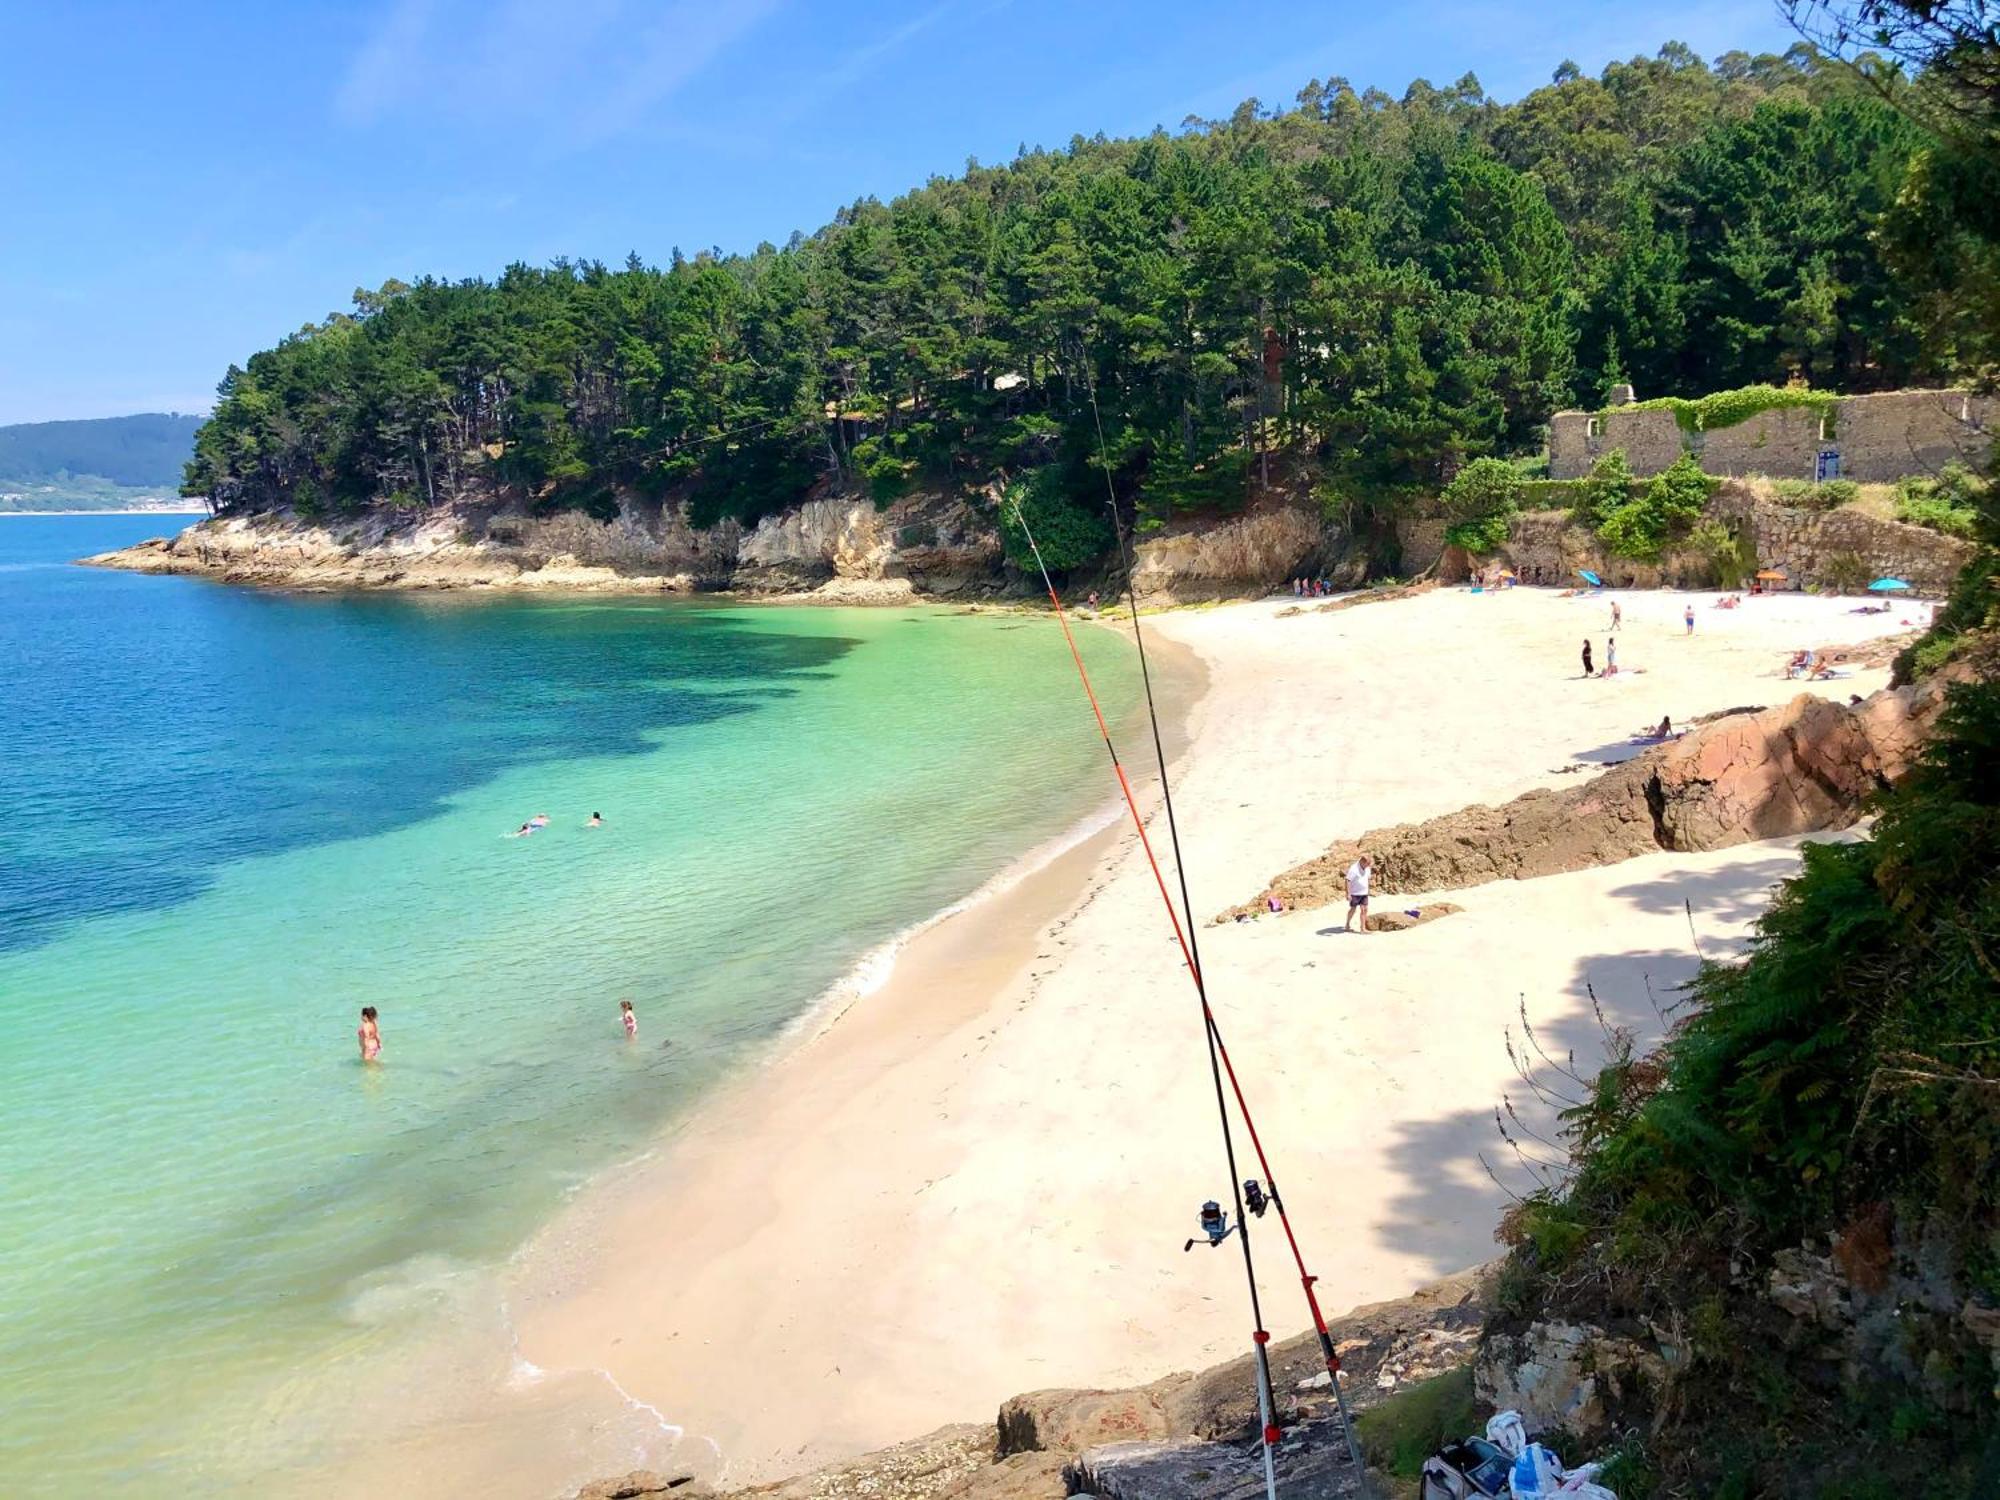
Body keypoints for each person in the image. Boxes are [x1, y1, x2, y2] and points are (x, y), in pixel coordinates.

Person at [1344, 854, 1373, 934]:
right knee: (1353, 909)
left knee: (1364, 909)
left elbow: (1367, 878)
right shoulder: (1354, 869)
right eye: (1367, 864)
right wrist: (1348, 894)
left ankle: (1362, 929)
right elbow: (1347, 880)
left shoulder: (1367, 868)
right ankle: (1347, 925)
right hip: (1355, 893)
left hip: (1364, 893)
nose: (1368, 866)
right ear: (1362, 862)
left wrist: (1369, 889)